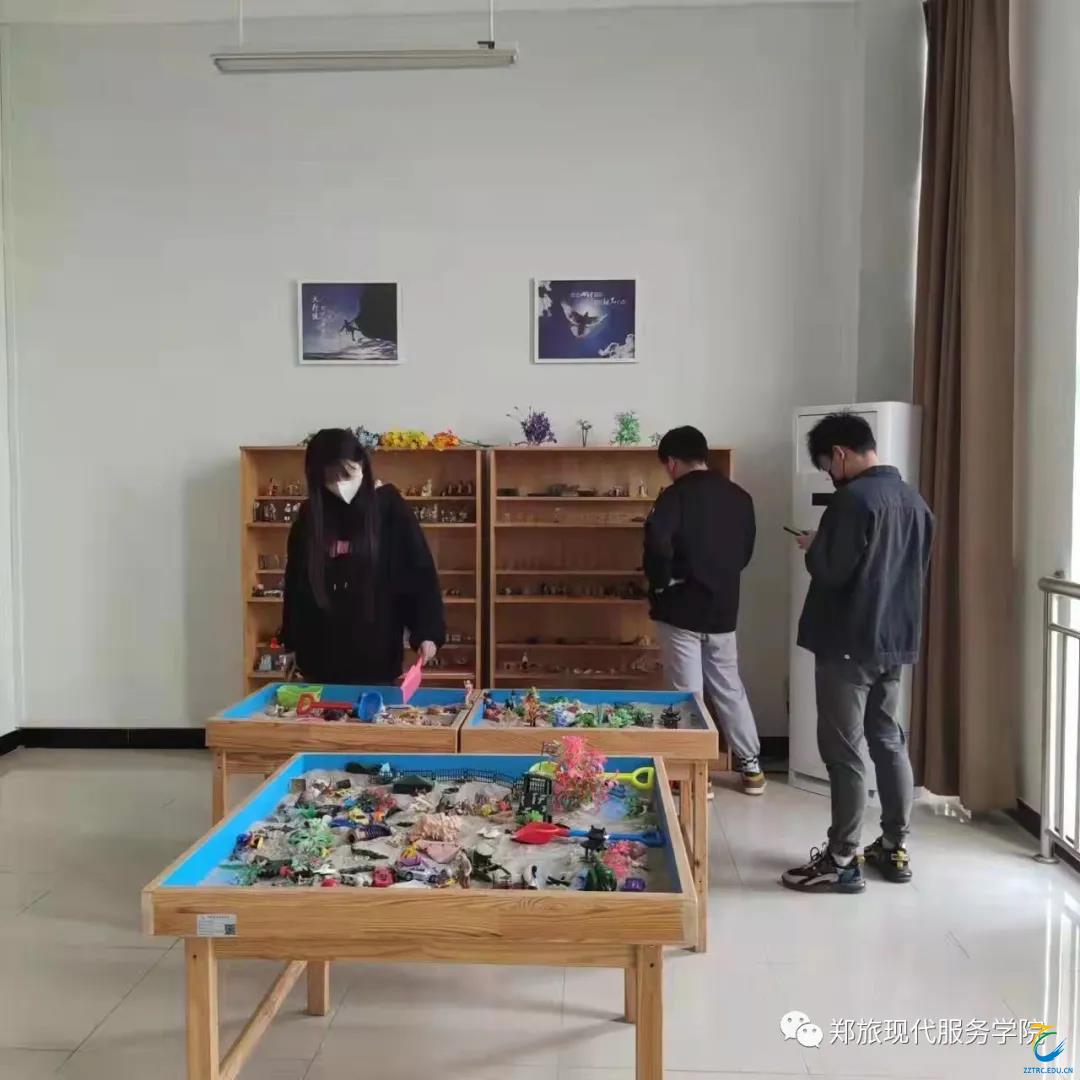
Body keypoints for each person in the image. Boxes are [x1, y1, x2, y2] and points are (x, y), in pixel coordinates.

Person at [782, 412, 934, 894]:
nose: (830, 475)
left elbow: (832, 571)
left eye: (828, 465)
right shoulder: (915, 501)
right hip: (894, 642)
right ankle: (893, 845)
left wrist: (814, 545)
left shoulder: (852, 501)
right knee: (888, 740)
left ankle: (842, 858)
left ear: (841, 454)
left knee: (843, 751)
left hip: (847, 641)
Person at [644, 426, 765, 795]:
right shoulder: (740, 497)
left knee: (687, 693)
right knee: (729, 687)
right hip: (723, 609)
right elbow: (746, 551)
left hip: (681, 608)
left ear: (672, 462)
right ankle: (751, 767)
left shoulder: (674, 497)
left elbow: (656, 543)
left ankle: (695, 775)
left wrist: (661, 582)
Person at [282, 428, 445, 684]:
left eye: (347, 474)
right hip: (319, 658)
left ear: (362, 464)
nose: (339, 484)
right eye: (330, 477)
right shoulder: (310, 515)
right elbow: (295, 583)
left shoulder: (389, 506)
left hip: (377, 655)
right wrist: (291, 643)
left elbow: (418, 571)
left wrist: (427, 633)